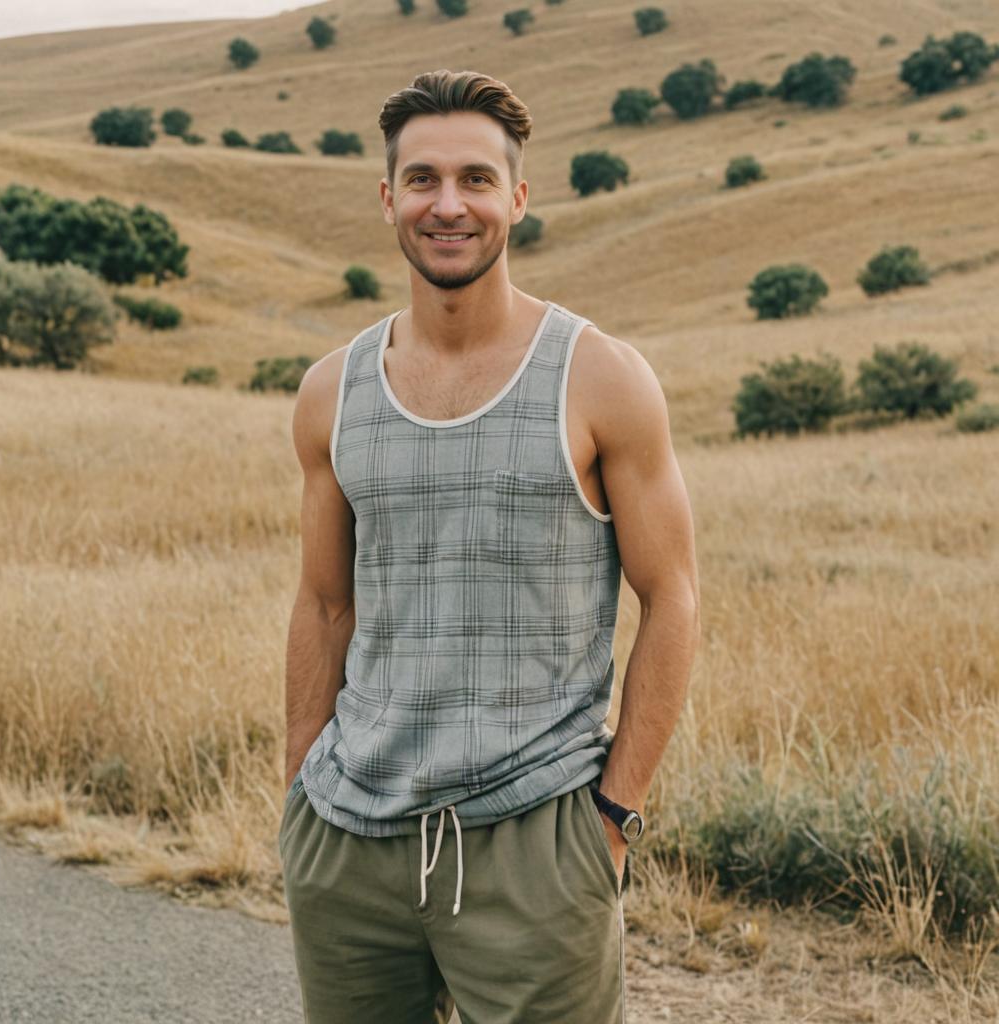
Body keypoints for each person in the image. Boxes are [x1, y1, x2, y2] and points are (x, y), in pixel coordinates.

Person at [279, 68, 700, 1024]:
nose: (448, 204)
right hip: (348, 841)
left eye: (475, 178)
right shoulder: (330, 391)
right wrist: (300, 783)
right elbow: (323, 602)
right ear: (389, 199)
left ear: (518, 195)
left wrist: (614, 817)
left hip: (534, 845)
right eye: (422, 179)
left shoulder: (600, 379)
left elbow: (672, 596)